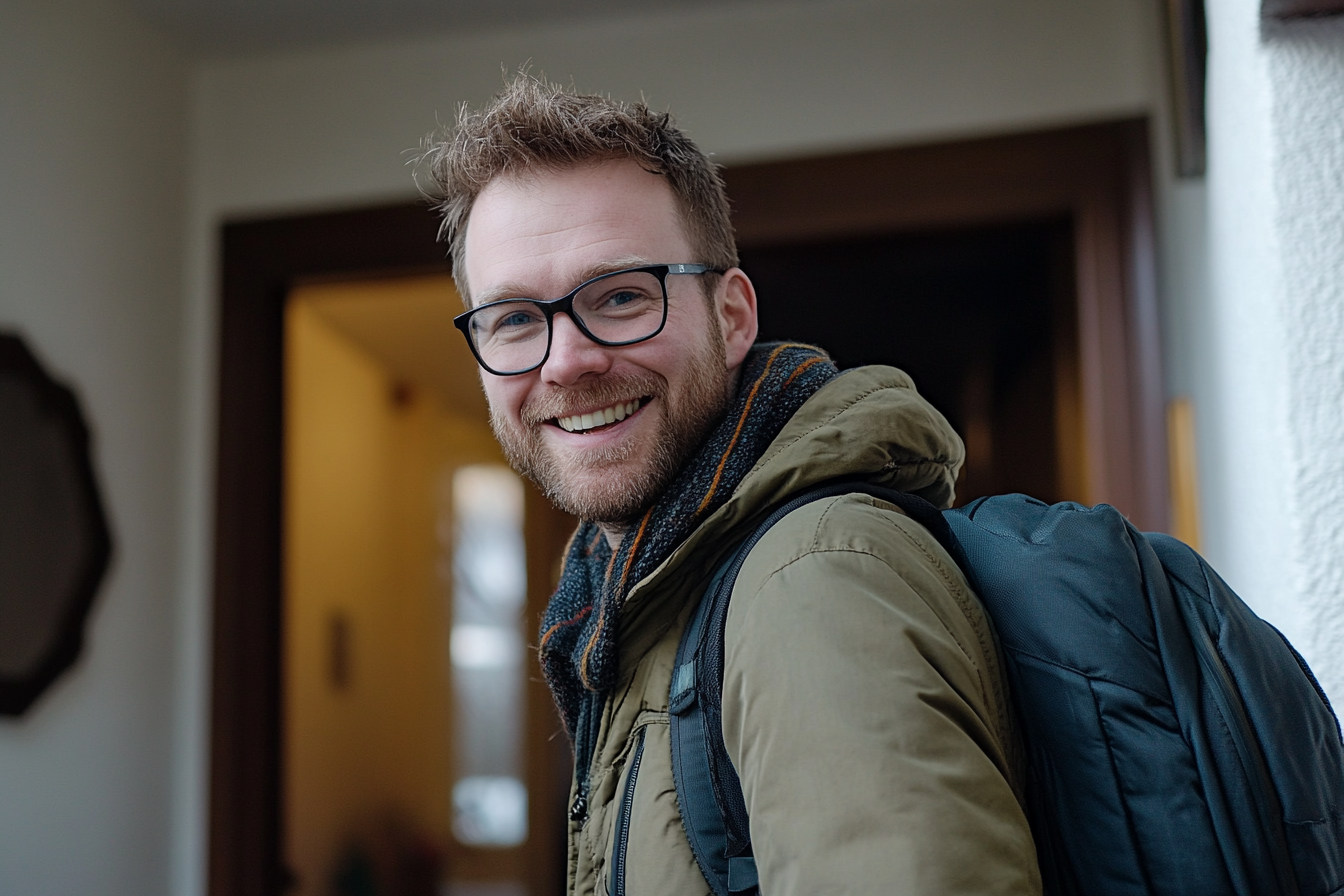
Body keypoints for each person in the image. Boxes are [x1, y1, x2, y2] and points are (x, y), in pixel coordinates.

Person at [420, 74, 1040, 895]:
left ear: (733, 315)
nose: (565, 360)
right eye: (514, 319)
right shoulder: (640, 599)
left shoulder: (812, 580)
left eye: (620, 297)